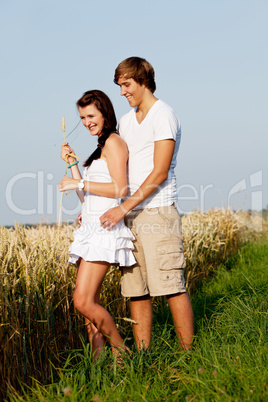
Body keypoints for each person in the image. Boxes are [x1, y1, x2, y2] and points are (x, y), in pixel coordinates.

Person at [100, 57, 194, 350]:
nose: (122, 92)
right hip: (129, 216)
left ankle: (189, 359)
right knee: (136, 290)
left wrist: (122, 208)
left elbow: (160, 172)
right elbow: (116, 167)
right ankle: (143, 357)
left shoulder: (163, 114)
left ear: (143, 80)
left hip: (157, 212)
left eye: (126, 84)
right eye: (119, 86)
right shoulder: (126, 122)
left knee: (170, 286)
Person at [58, 90, 136, 359]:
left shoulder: (114, 142)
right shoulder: (101, 147)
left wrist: (77, 182)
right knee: (89, 308)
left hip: (103, 231)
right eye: (82, 117)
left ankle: (122, 352)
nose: (87, 121)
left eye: (91, 115)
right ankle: (99, 366)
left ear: (105, 113)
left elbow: (119, 188)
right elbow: (87, 197)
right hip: (90, 229)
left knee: (82, 301)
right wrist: (74, 166)